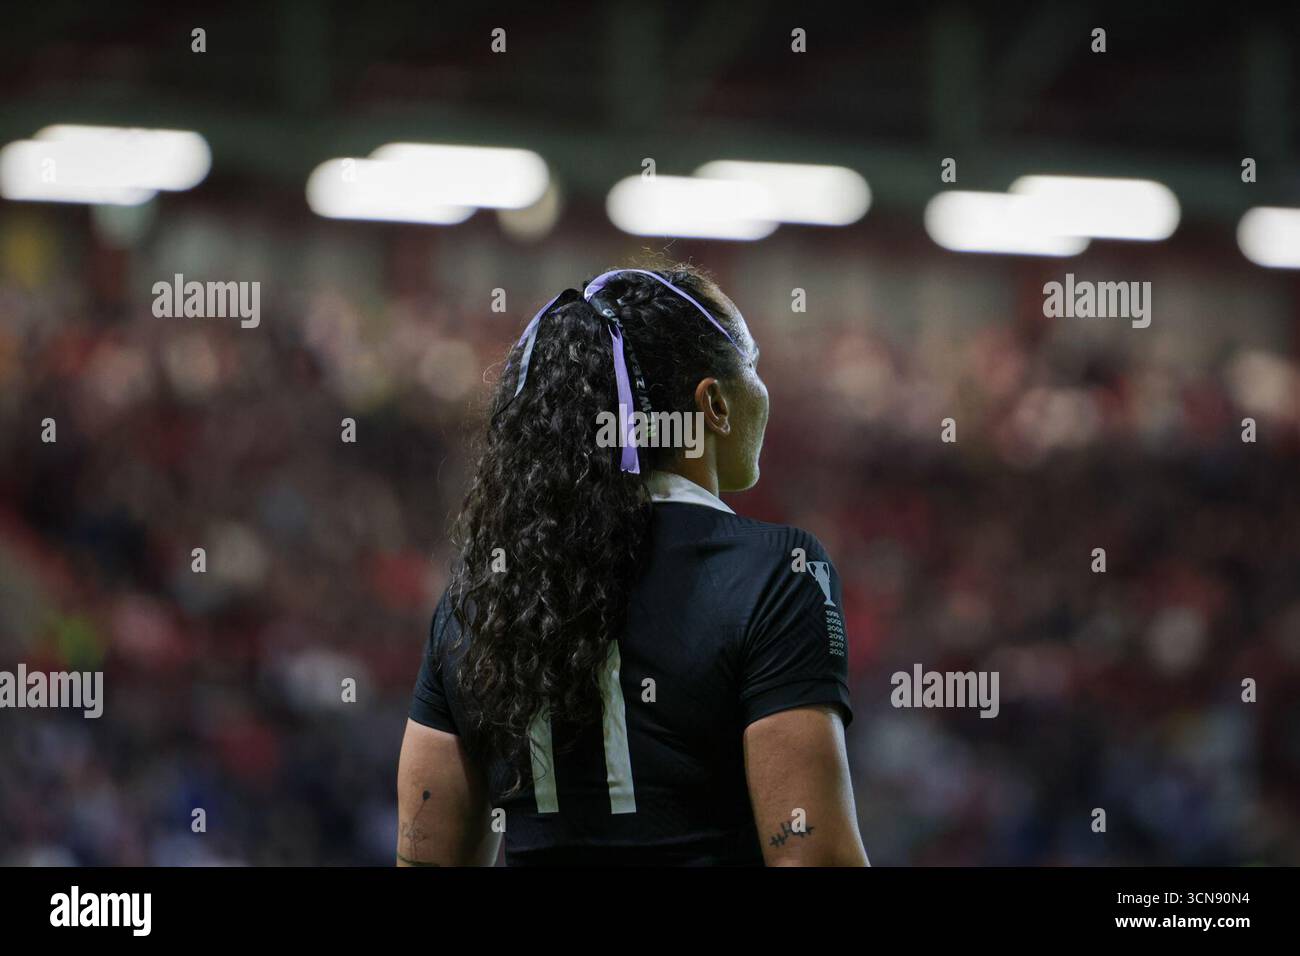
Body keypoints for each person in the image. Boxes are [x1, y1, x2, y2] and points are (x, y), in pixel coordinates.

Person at [396, 263, 867, 865]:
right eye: (752, 364)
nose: (762, 386)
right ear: (714, 404)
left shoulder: (482, 596)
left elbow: (426, 859)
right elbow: (812, 856)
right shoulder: (779, 572)